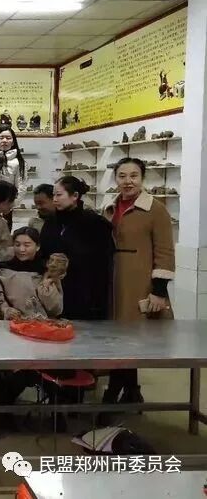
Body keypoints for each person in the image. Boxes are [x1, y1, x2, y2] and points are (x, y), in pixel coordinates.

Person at [101, 157, 175, 406]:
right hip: (113, 282)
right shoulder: (109, 207)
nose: (128, 181)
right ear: (116, 179)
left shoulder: (156, 209)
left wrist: (159, 290)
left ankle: (112, 394)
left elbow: (165, 251)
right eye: (122, 176)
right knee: (117, 339)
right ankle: (133, 391)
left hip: (138, 283)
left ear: (142, 178)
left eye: (134, 176)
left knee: (129, 339)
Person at [39, 176, 115, 321]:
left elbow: (102, 262)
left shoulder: (95, 223)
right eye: (53, 195)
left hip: (85, 292)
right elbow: (43, 251)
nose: (54, 199)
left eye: (59, 195)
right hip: (55, 290)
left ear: (75, 196)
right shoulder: (51, 221)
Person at [0, 227, 62, 320]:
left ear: (37, 246)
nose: (21, 249)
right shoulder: (2, 271)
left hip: (44, 323)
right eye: (17, 245)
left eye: (27, 245)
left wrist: (46, 289)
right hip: (14, 322)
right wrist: (5, 310)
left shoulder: (47, 271)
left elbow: (55, 309)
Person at [0, 127, 26, 229]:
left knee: (3, 235)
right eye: (1, 137)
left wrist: (10, 206)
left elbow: (21, 187)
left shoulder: (18, 162)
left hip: (6, 207)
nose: (4, 140)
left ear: (13, 142)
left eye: (8, 138)